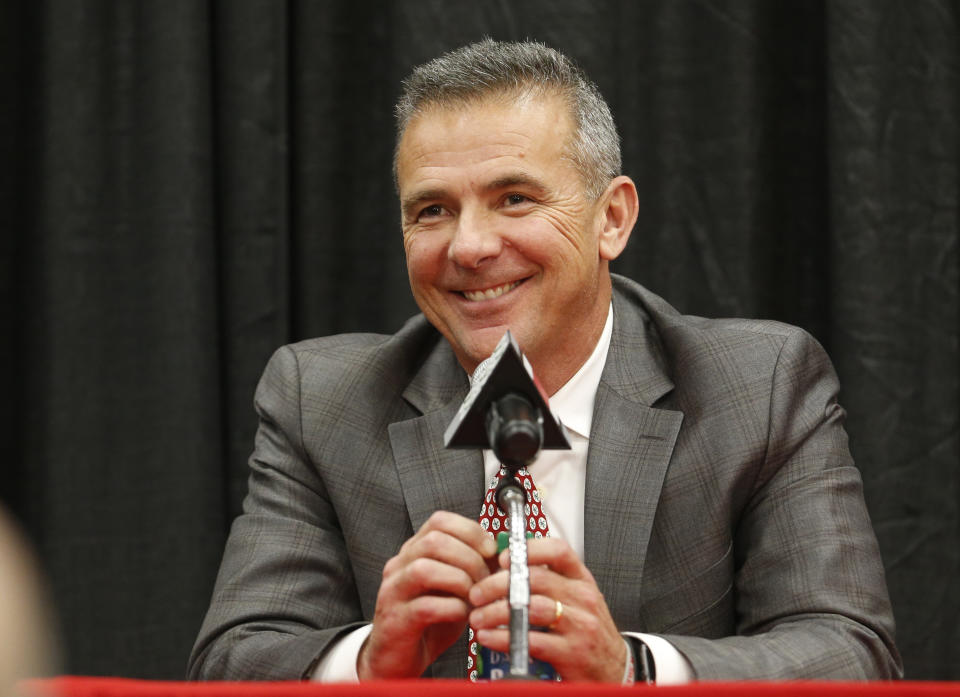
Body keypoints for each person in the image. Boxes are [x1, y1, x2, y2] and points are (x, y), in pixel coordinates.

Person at [188, 39, 902, 683]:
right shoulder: (322, 401)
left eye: (514, 198)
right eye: (432, 210)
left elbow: (850, 650)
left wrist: (633, 668)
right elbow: (233, 659)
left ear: (611, 219)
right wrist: (373, 660)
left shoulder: (760, 384)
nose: (468, 246)